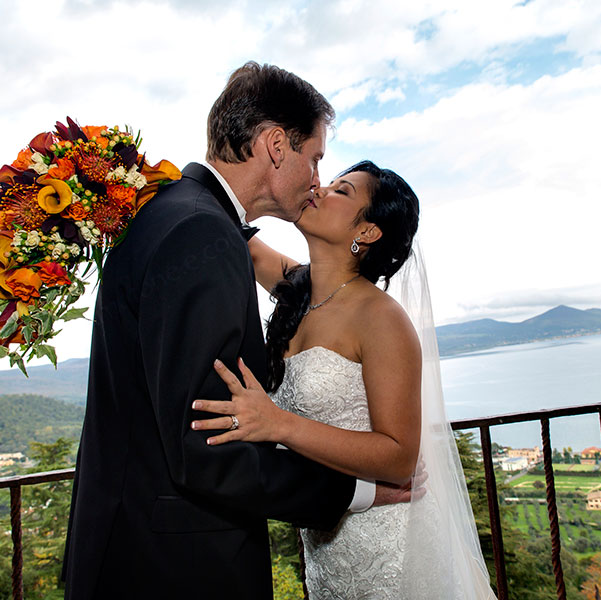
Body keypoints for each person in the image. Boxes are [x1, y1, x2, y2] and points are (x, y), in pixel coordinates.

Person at [61, 63, 403, 600]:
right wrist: (356, 492)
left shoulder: (174, 212)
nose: (317, 179)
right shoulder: (204, 233)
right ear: (274, 145)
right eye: (314, 158)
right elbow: (209, 447)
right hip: (176, 568)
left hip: (133, 552)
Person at [191, 161, 497, 598]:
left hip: (388, 548)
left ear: (368, 232)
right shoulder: (297, 290)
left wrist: (278, 423)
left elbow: (399, 458)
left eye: (343, 190)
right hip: (325, 543)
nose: (321, 187)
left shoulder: (381, 318)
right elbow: (237, 231)